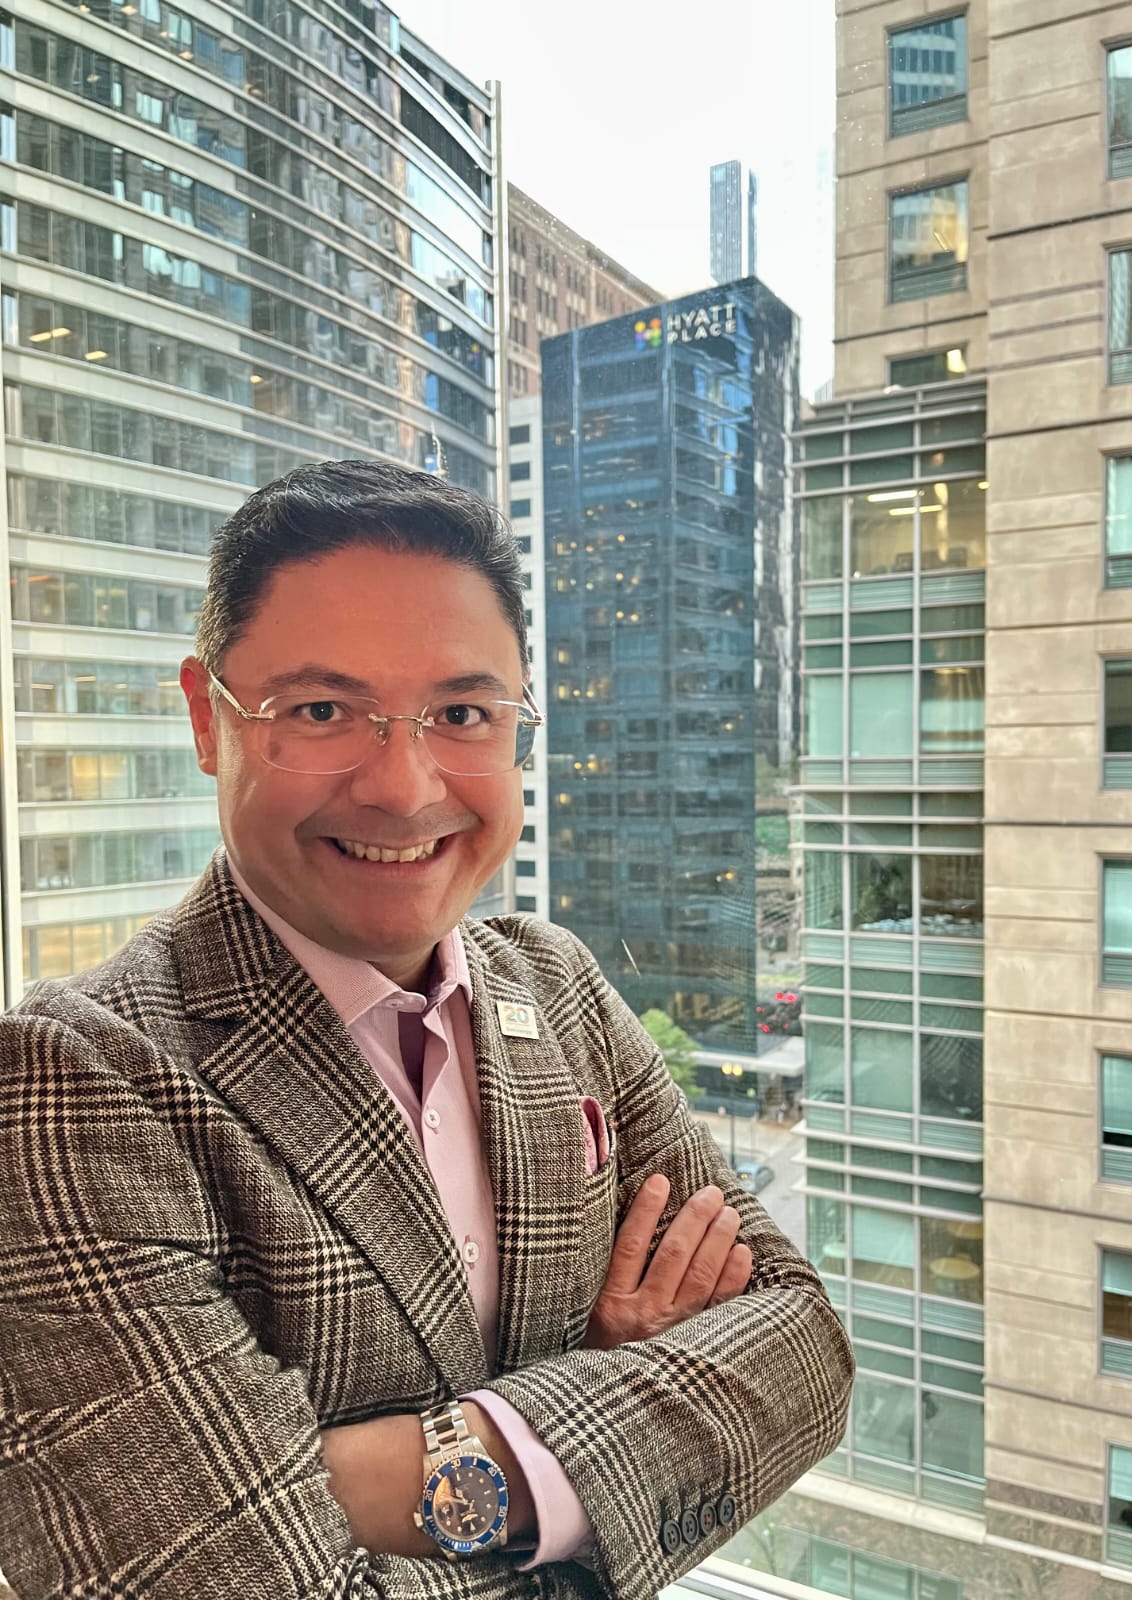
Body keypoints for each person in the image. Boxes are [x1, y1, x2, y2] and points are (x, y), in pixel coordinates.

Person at [0, 462, 853, 1599]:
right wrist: (603, 1424)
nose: (404, 789)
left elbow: (806, 1345)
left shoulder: (554, 983)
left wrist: (395, 1475)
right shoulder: (73, 1078)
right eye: (320, 711)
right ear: (209, 720)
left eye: (462, 715)